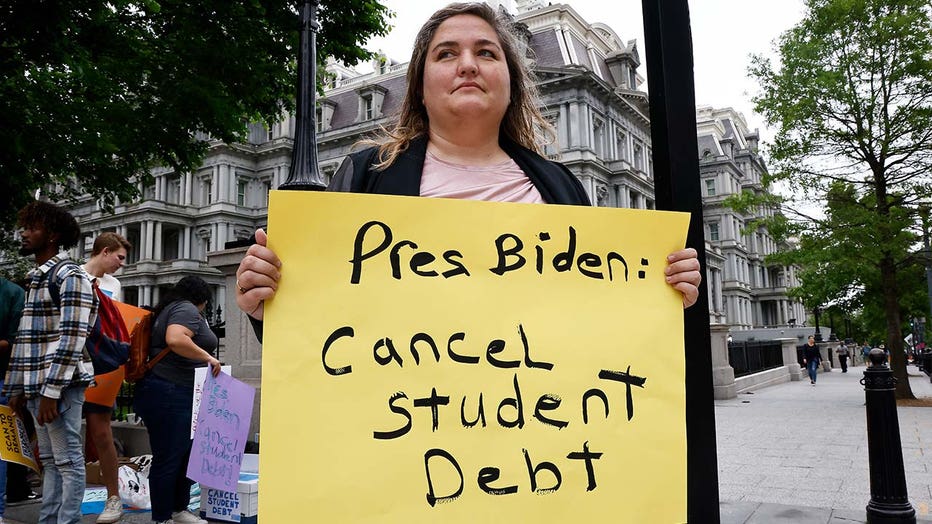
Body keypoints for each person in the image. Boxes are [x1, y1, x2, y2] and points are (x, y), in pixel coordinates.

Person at [233, 2, 702, 334]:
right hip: (396, 437)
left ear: (512, 81)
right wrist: (264, 303)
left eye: (486, 52)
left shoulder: (562, 188)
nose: (467, 65)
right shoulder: (366, 177)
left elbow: (597, 316)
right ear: (418, 86)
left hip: (538, 437)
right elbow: (317, 324)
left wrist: (661, 295)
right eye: (446, 53)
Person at [3, 201, 98, 524]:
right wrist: (18, 389)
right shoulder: (38, 279)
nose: (24, 233)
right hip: (37, 389)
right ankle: (50, 520)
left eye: (33, 227)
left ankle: (65, 521)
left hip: (60, 388)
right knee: (53, 462)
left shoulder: (69, 275)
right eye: (25, 226)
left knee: (68, 461)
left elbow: (73, 338)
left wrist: (51, 392)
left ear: (53, 235)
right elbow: (26, 340)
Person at [133, 276, 221, 524]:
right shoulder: (187, 309)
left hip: (169, 391)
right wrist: (209, 358)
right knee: (170, 455)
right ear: (202, 298)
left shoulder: (170, 308)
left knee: (183, 453)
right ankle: (163, 517)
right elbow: (176, 339)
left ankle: (178, 509)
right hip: (171, 391)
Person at [81, 232, 131, 524]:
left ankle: (114, 498)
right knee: (70, 430)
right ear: (104, 251)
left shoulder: (114, 285)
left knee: (101, 432)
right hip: (75, 361)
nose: (121, 264)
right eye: (119, 257)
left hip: (104, 364)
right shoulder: (75, 275)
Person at [0, 277, 25, 524]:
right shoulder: (14, 292)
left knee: (1, 449)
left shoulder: (12, 293)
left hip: (3, 379)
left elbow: (14, 339)